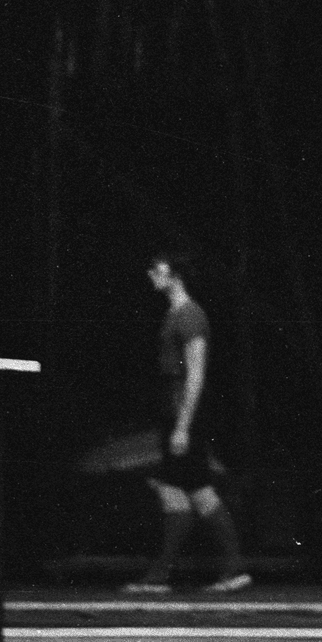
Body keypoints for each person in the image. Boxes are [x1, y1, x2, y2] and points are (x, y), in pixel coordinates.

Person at [122, 247, 252, 594]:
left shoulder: (190, 316)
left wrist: (182, 425)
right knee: (193, 491)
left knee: (184, 491)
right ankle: (223, 570)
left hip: (185, 414)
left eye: (157, 269)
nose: (152, 274)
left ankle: (166, 574)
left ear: (175, 274)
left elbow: (196, 375)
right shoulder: (174, 314)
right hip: (175, 412)